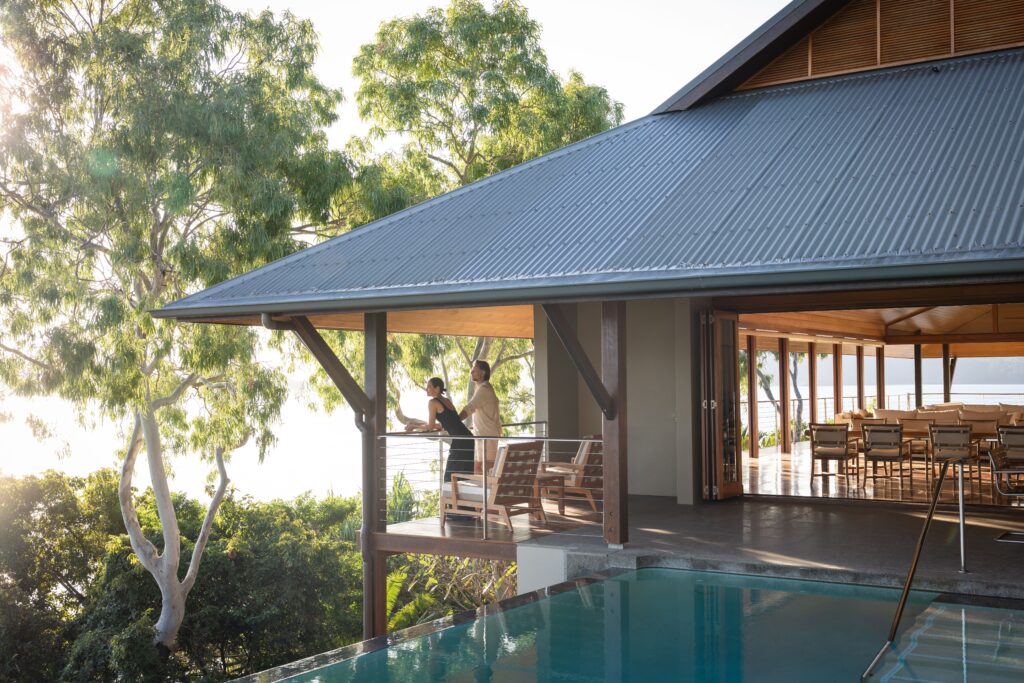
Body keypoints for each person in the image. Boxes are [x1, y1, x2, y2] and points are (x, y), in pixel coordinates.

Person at [405, 377, 475, 482]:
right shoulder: (446, 401)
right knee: (464, 476)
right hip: (468, 438)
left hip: (461, 441)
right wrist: (415, 424)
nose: (426, 389)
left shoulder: (432, 403)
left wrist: (414, 427)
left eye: (429, 386)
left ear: (437, 389)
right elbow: (446, 423)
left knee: (450, 477)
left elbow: (430, 427)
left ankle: (451, 498)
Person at [459, 360, 501, 474]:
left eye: (474, 369)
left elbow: (469, 408)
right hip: (481, 436)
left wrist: (455, 421)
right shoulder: (481, 388)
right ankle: (481, 491)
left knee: (487, 470)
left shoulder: (484, 389)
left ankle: (489, 491)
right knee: (477, 468)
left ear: (482, 373)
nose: (471, 372)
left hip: (488, 437)